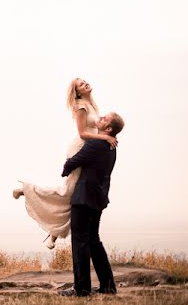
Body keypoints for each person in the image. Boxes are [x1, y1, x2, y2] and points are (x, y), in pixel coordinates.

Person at [13, 78, 117, 248]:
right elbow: (83, 133)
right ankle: (26, 190)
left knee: (75, 196)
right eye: (81, 85)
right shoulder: (80, 106)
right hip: (81, 148)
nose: (86, 84)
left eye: (85, 81)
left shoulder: (91, 104)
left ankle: (54, 233)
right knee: (68, 193)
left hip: (89, 148)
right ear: (77, 92)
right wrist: (105, 137)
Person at [57, 111, 125, 297]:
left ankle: (82, 289)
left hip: (84, 198)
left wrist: (66, 168)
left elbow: (72, 163)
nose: (100, 118)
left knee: (80, 241)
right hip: (99, 197)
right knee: (93, 240)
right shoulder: (112, 146)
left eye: (105, 119)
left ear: (109, 128)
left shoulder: (96, 143)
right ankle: (108, 286)